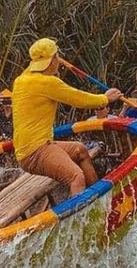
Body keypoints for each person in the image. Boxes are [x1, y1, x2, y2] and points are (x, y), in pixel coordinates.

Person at [13, 38, 122, 197]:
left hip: (35, 146)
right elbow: (79, 99)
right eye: (56, 57)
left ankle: (100, 196)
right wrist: (105, 99)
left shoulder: (21, 80)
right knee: (76, 177)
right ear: (52, 61)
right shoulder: (47, 83)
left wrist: (52, 68)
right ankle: (79, 217)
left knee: (81, 150)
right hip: (36, 150)